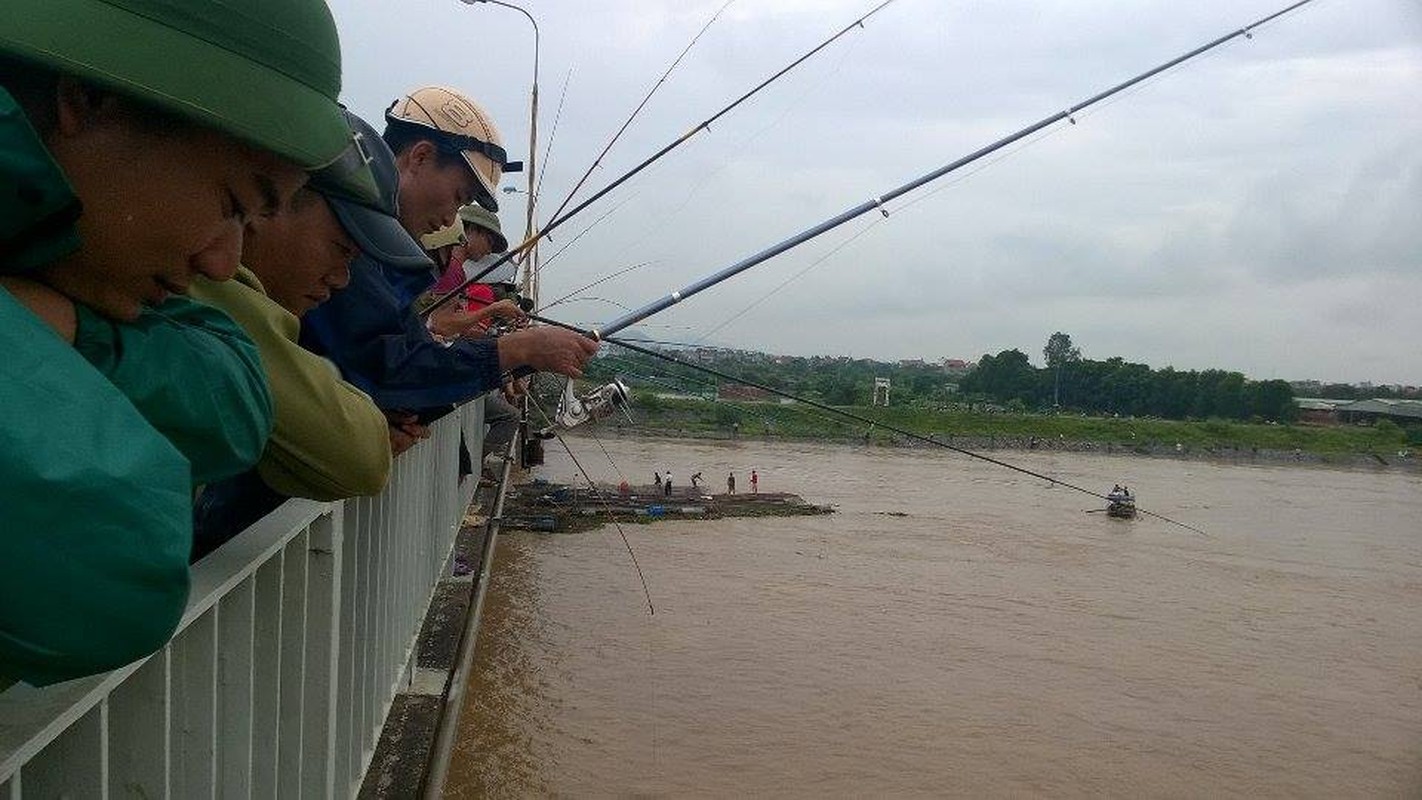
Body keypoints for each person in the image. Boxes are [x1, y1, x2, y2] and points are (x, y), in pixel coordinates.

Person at [0, 0, 373, 688]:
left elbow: (233, 393)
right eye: (232, 203)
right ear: (89, 98)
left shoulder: (67, 256)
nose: (224, 263)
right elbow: (113, 569)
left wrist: (68, 327)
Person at [190, 111, 425, 558]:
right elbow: (358, 458)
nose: (341, 280)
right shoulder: (202, 295)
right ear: (266, 202)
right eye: (341, 250)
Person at [300, 85, 596, 421]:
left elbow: (401, 362)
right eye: (458, 196)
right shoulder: (346, 237)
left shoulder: (384, 260)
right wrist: (520, 348)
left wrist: (395, 419)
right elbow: (385, 367)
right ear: (421, 157)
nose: (450, 220)